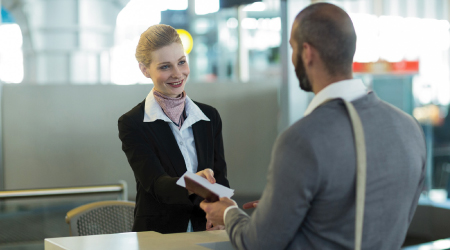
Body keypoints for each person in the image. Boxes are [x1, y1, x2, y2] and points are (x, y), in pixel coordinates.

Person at [200, 3, 426, 249]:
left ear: (307, 53)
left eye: (292, 48)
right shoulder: (409, 128)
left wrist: (228, 213)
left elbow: (259, 244)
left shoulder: (303, 139)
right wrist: (280, 210)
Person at [118, 24, 229, 234]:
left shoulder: (209, 117)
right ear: (144, 70)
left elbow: (220, 177)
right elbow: (156, 184)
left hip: (204, 229)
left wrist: (220, 212)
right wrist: (194, 182)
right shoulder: (132, 123)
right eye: (165, 67)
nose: (178, 74)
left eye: (181, 62)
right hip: (158, 234)